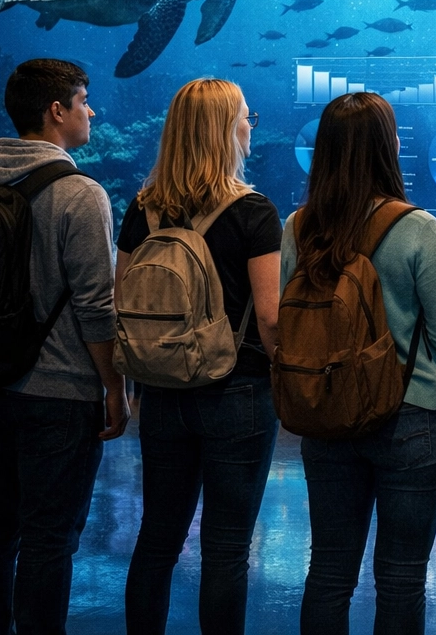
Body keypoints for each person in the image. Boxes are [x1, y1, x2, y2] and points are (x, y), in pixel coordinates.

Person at [279, 92, 436, 635]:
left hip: (327, 411)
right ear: (389, 147)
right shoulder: (416, 227)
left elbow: (285, 319)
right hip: (412, 414)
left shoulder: (296, 227)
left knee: (329, 571)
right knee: (402, 577)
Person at [0, 58, 126, 635]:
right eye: (84, 99)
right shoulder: (80, 193)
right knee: (49, 538)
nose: (92, 110)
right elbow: (95, 306)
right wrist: (114, 386)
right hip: (58, 392)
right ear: (56, 111)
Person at [120, 78, 282, 635]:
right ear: (223, 130)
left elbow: (124, 299)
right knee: (226, 548)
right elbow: (271, 316)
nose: (249, 126)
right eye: (245, 116)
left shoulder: (142, 210)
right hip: (236, 391)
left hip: (161, 391)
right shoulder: (254, 211)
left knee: (157, 539)